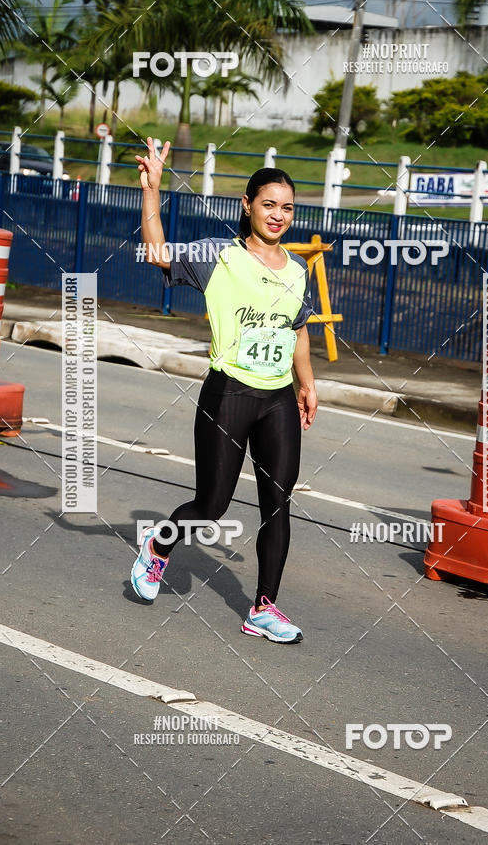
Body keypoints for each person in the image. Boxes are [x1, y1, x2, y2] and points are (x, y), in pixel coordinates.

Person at [130, 137, 318, 643]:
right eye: (269, 205)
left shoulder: (298, 270)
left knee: (277, 505)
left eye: (287, 208)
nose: (278, 215)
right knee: (211, 506)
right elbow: (157, 254)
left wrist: (307, 383)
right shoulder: (219, 256)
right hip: (229, 394)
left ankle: (263, 608)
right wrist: (153, 192)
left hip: (277, 397)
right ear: (248, 206)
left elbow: (298, 329)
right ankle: (160, 545)